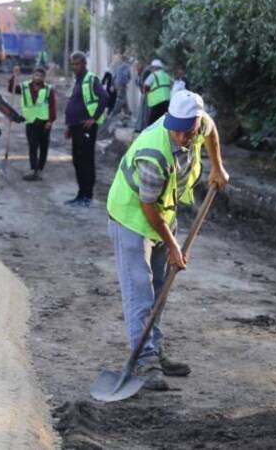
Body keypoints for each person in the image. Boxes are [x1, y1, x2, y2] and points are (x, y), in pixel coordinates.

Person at [105, 90, 230, 390]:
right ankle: (144, 361)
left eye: (185, 131)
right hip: (131, 218)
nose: (178, 136)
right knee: (140, 290)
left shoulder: (198, 126)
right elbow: (147, 206)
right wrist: (174, 246)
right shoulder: (154, 152)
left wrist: (217, 165)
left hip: (163, 215)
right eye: (174, 129)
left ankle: (153, 350)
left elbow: (211, 132)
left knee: (161, 288)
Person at [64, 52, 109, 207]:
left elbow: (104, 97)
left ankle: (87, 195)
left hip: (86, 126)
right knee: (77, 160)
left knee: (86, 160)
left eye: (77, 63)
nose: (74, 66)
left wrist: (93, 118)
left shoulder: (91, 79)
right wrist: (70, 127)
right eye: (72, 64)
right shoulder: (77, 81)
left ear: (84, 64)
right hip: (76, 127)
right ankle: (80, 193)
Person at [9, 67, 55, 181]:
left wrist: (50, 121)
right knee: (32, 146)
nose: (38, 77)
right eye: (36, 75)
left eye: (40, 76)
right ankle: (33, 169)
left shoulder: (48, 89)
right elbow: (12, 88)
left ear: (44, 77)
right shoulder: (25, 87)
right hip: (30, 122)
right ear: (32, 76)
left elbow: (52, 106)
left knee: (44, 147)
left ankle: (40, 169)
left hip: (44, 123)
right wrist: (14, 76)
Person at [143, 59, 173, 127]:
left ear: (154, 67)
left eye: (152, 67)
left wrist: (145, 93)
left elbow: (146, 85)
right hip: (167, 100)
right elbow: (171, 85)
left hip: (156, 101)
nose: (151, 69)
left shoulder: (153, 75)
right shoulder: (166, 75)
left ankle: (151, 136)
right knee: (164, 120)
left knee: (152, 121)